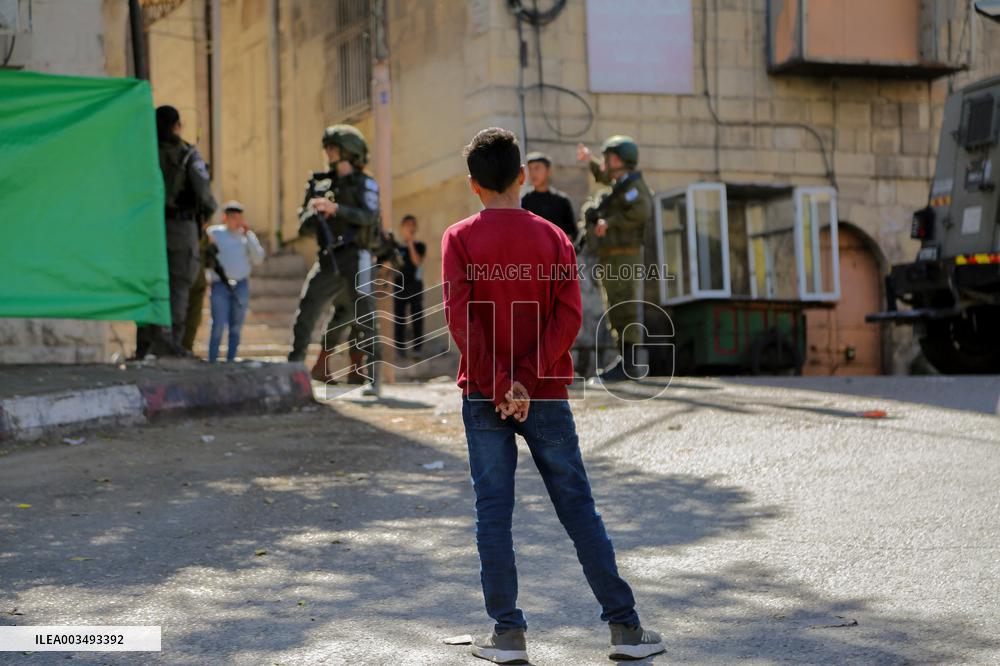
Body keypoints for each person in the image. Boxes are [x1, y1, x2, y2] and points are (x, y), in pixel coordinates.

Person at [442, 127, 663, 663]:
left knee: (493, 511)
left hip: (483, 397)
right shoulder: (554, 238)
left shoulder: (459, 238)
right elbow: (569, 316)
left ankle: (509, 635)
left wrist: (500, 384)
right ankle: (625, 630)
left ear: (474, 185)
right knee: (577, 507)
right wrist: (526, 379)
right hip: (547, 394)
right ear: (522, 177)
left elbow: (461, 319)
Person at [287, 124, 380, 386]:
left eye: (334, 148)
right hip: (329, 259)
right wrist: (316, 212)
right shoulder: (320, 184)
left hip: (357, 258)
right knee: (308, 308)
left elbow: (369, 216)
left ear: (348, 151)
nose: (328, 152)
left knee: (356, 316)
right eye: (327, 148)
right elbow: (302, 225)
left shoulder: (365, 184)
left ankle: (363, 373)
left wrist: (337, 209)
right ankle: (295, 366)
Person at [137, 105, 218, 358]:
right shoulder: (187, 154)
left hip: (147, 230)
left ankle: (145, 347)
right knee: (179, 288)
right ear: (176, 125)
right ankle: (170, 347)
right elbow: (206, 198)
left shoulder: (143, 154)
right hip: (180, 229)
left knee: (149, 288)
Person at [577, 135, 653, 383]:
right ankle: (625, 360)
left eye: (608, 158)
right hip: (612, 256)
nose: (605, 163)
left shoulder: (633, 187)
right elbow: (603, 174)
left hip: (625, 256)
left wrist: (610, 222)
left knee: (625, 308)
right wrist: (591, 160)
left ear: (619, 160)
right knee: (614, 308)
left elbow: (641, 211)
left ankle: (630, 364)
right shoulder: (621, 183)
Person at [205, 201, 265, 362]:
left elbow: (258, 259)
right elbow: (206, 257)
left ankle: (231, 361)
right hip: (219, 285)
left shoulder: (247, 236)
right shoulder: (214, 233)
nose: (236, 221)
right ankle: (212, 361)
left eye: (239, 217)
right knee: (217, 325)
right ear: (225, 218)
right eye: (233, 217)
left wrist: (248, 237)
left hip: (241, 286)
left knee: (236, 327)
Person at [520, 151, 578, 244]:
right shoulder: (525, 200)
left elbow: (573, 233)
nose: (533, 173)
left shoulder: (561, 201)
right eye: (530, 169)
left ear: (548, 171)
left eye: (537, 168)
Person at [393, 214, 427, 357]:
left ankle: (417, 348)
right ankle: (400, 348)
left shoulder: (419, 246)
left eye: (412, 224)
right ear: (402, 227)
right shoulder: (396, 248)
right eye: (407, 224)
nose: (410, 227)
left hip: (415, 286)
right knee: (399, 318)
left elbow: (416, 262)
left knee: (417, 317)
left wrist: (410, 242)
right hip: (399, 286)